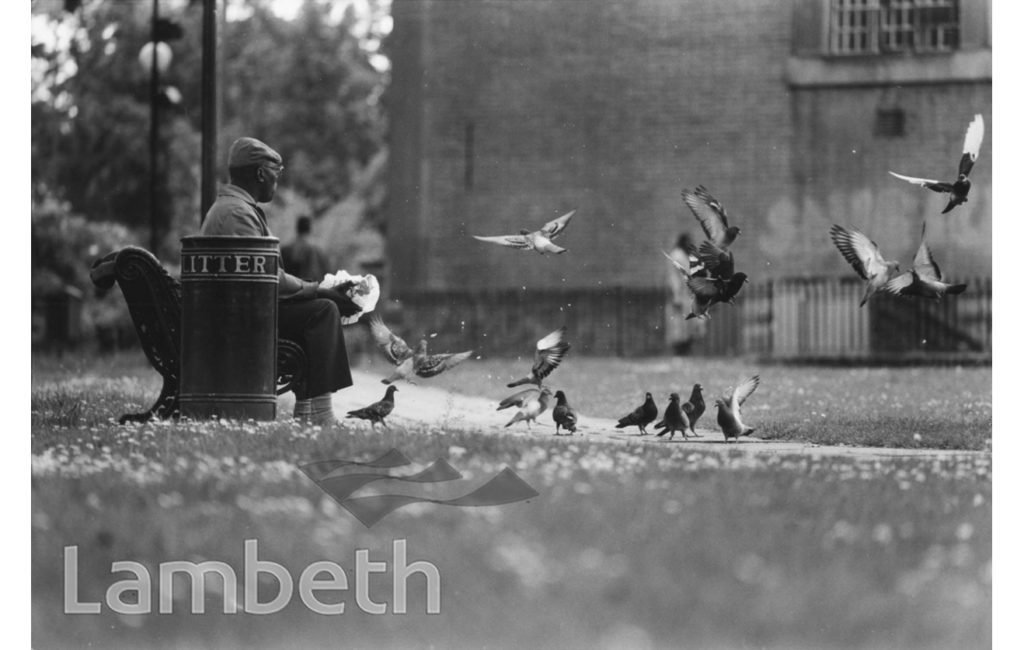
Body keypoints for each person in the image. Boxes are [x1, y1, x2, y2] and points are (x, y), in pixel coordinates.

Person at [200, 136, 359, 426]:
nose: (278, 180)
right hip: (241, 323)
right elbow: (266, 278)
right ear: (261, 173)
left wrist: (314, 290)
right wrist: (316, 289)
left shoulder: (234, 208)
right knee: (323, 311)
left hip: (237, 314)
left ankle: (308, 411)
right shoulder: (237, 213)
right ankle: (320, 415)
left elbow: (264, 275)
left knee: (320, 305)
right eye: (277, 172)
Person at [665, 232, 706, 355]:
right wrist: (676, 296)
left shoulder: (686, 255)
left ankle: (686, 347)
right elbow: (674, 278)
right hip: (681, 297)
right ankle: (680, 349)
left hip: (688, 296)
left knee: (689, 326)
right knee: (679, 327)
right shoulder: (677, 255)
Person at [282, 215, 330, 282]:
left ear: (297, 228)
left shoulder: (287, 248)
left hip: (296, 289)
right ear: (310, 228)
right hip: (316, 288)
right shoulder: (319, 249)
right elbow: (327, 272)